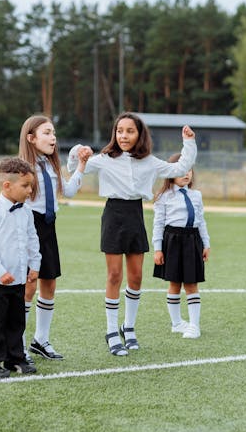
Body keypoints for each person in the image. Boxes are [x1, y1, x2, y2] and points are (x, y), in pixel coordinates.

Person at [68, 112, 197, 356]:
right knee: (115, 275)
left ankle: (128, 327)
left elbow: (180, 167)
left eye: (130, 131)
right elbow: (76, 167)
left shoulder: (148, 161)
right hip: (113, 215)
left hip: (135, 216)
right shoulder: (104, 158)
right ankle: (110, 331)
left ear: (139, 135)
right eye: (119, 131)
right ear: (114, 134)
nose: (124, 135)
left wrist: (188, 143)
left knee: (136, 276)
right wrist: (79, 152)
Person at [18, 114, 88, 363]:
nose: (53, 137)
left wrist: (80, 166)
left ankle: (40, 340)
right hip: (29, 227)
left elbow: (67, 191)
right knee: (29, 286)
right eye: (47, 133)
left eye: (54, 133)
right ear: (31, 138)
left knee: (49, 285)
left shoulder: (51, 165)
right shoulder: (22, 168)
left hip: (48, 228)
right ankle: (18, 344)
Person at [0, 157, 41, 379]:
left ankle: (15, 358)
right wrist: (0, 272)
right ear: (7, 185)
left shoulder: (26, 212)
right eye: (25, 186)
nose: (30, 190)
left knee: (17, 322)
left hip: (19, 280)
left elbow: (32, 240)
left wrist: (35, 266)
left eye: (31, 185)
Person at [152, 154, 211, 339]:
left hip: (192, 240)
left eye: (189, 170)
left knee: (191, 284)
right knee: (174, 283)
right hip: (172, 241)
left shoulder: (196, 195)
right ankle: (177, 323)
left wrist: (206, 243)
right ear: (171, 173)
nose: (186, 174)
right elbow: (158, 224)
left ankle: (194, 325)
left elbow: (201, 221)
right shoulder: (163, 197)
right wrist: (158, 248)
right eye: (181, 170)